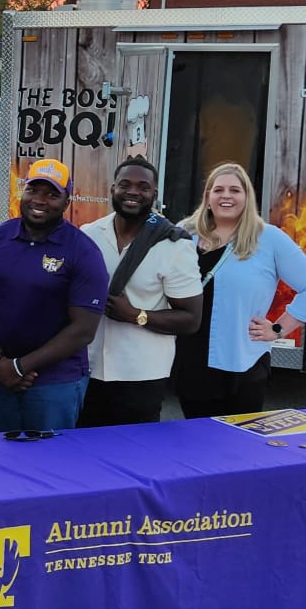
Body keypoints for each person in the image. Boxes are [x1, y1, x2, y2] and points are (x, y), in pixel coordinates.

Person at [172, 163, 306, 419]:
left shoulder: (268, 238)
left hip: (241, 365)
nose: (226, 196)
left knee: (238, 451)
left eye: (235, 190)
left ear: (247, 197)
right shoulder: (184, 233)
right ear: (208, 197)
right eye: (218, 190)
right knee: (197, 448)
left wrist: (278, 329)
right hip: (190, 363)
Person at [0, 158, 108, 433]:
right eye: (34, 190)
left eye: (52, 194)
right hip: (1, 377)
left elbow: (83, 330)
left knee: (51, 467)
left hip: (57, 383)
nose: (40, 200)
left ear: (67, 201)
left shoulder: (84, 252)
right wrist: (0, 361)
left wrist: (20, 367)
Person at [77, 156, 204, 427]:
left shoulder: (173, 245)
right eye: (125, 184)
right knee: (82, 457)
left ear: (154, 194)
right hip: (86, 369)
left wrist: (136, 315)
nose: (133, 192)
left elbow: (191, 319)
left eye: (143, 187)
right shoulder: (89, 235)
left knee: (133, 458)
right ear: (112, 189)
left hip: (141, 376)